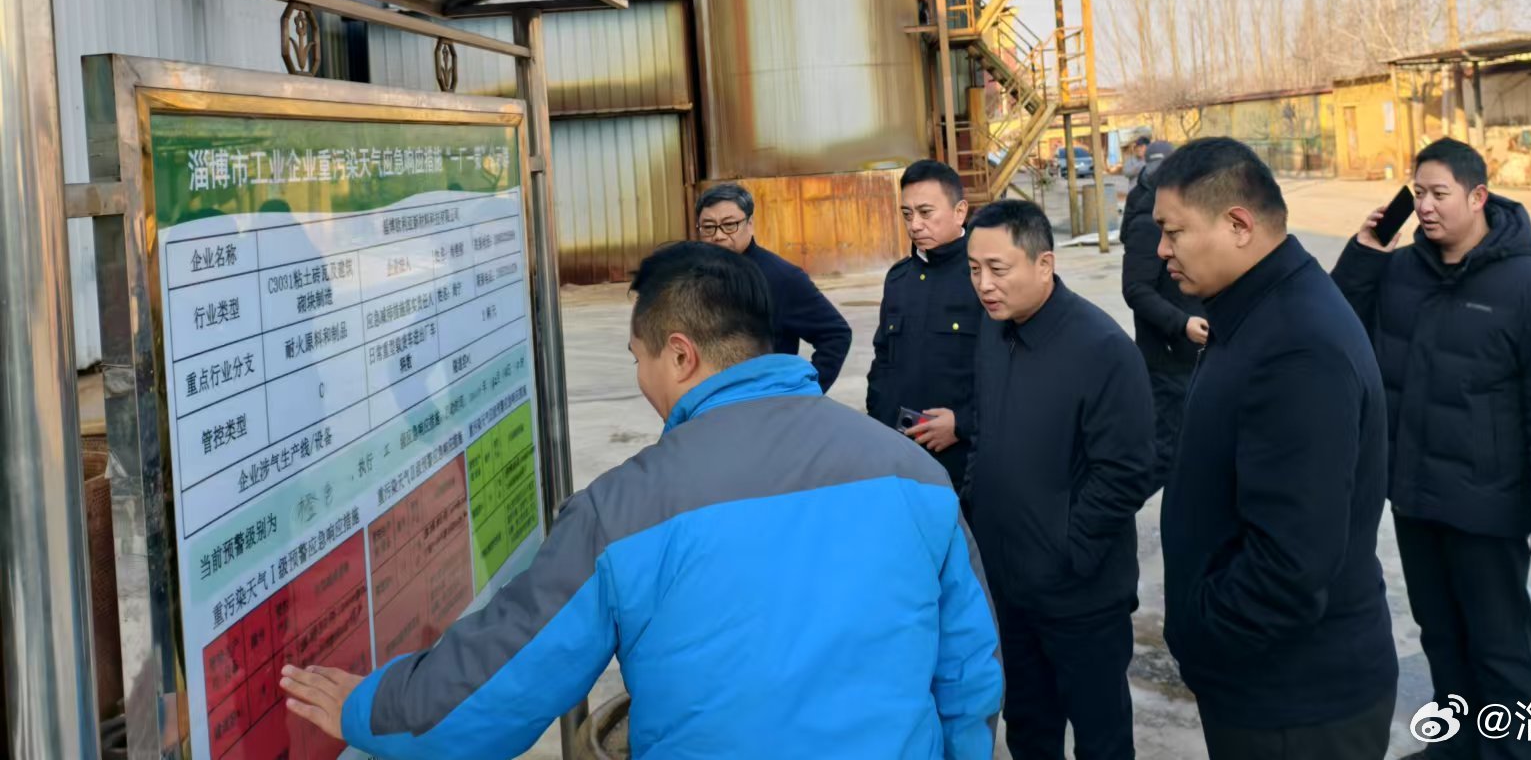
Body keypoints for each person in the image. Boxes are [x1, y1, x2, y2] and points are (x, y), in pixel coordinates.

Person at [280, 242, 1003, 759]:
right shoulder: (913, 474)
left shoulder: (622, 510)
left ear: (681, 354)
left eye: (639, 357)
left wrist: (370, 707)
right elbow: (971, 673)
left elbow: (498, 689)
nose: (640, 377)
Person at [1332, 138, 1531, 760]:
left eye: (1439, 194)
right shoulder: (1400, 272)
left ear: (1478, 197)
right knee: (1441, 636)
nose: (1425, 206)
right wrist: (1365, 255)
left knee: (1499, 648)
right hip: (1414, 496)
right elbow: (1335, 328)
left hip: (1487, 507)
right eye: (1417, 193)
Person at [1154, 138, 1396, 760]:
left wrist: (1204, 635)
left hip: (1295, 705)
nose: (1162, 250)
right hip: (1270, 688)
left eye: (1174, 232)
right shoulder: (1256, 311)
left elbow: (1289, 566)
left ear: (1239, 225)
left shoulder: (1296, 346)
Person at [962, 198, 1155, 760]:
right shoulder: (994, 330)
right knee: (1028, 726)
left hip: (1080, 595)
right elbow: (985, 431)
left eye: (998, 269)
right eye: (974, 269)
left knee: (1101, 737)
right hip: (1009, 584)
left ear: (1044, 264)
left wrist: (1068, 549)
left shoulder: (1102, 349)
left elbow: (1125, 472)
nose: (984, 285)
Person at [867, 159, 981, 489]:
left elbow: (1009, 370)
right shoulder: (899, 279)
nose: (915, 225)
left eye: (926, 212)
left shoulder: (982, 277)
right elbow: (883, 359)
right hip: (901, 456)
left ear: (959, 212)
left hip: (964, 459)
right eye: (907, 214)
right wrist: (880, 416)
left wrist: (962, 424)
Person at [695, 182, 852, 392]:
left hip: (761, 402)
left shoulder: (782, 278)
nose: (718, 235)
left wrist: (803, 393)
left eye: (729, 225)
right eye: (708, 227)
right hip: (707, 400)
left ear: (750, 224)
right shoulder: (691, 275)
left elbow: (836, 334)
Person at [1118, 138, 1207, 486]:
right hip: (1166, 358)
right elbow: (1136, 289)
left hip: (1190, 354)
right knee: (1162, 454)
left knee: (1188, 452)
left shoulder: (1183, 214)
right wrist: (1182, 324)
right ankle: (1110, 507)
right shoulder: (1147, 222)